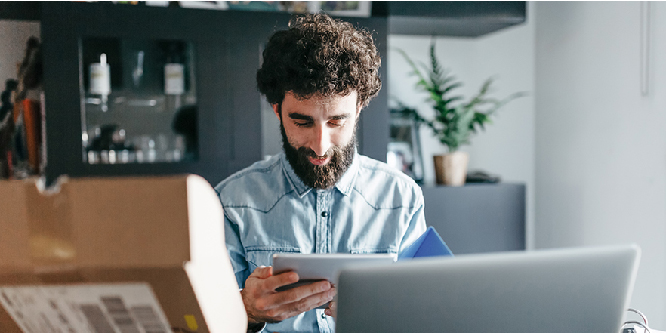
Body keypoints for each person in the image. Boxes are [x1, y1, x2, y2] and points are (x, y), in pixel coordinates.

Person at [215, 13, 426, 333]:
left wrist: (389, 312)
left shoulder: (402, 196)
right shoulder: (232, 200)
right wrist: (247, 312)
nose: (320, 146)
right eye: (302, 122)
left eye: (336, 121)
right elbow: (203, 320)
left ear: (358, 109)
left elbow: (424, 311)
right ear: (277, 110)